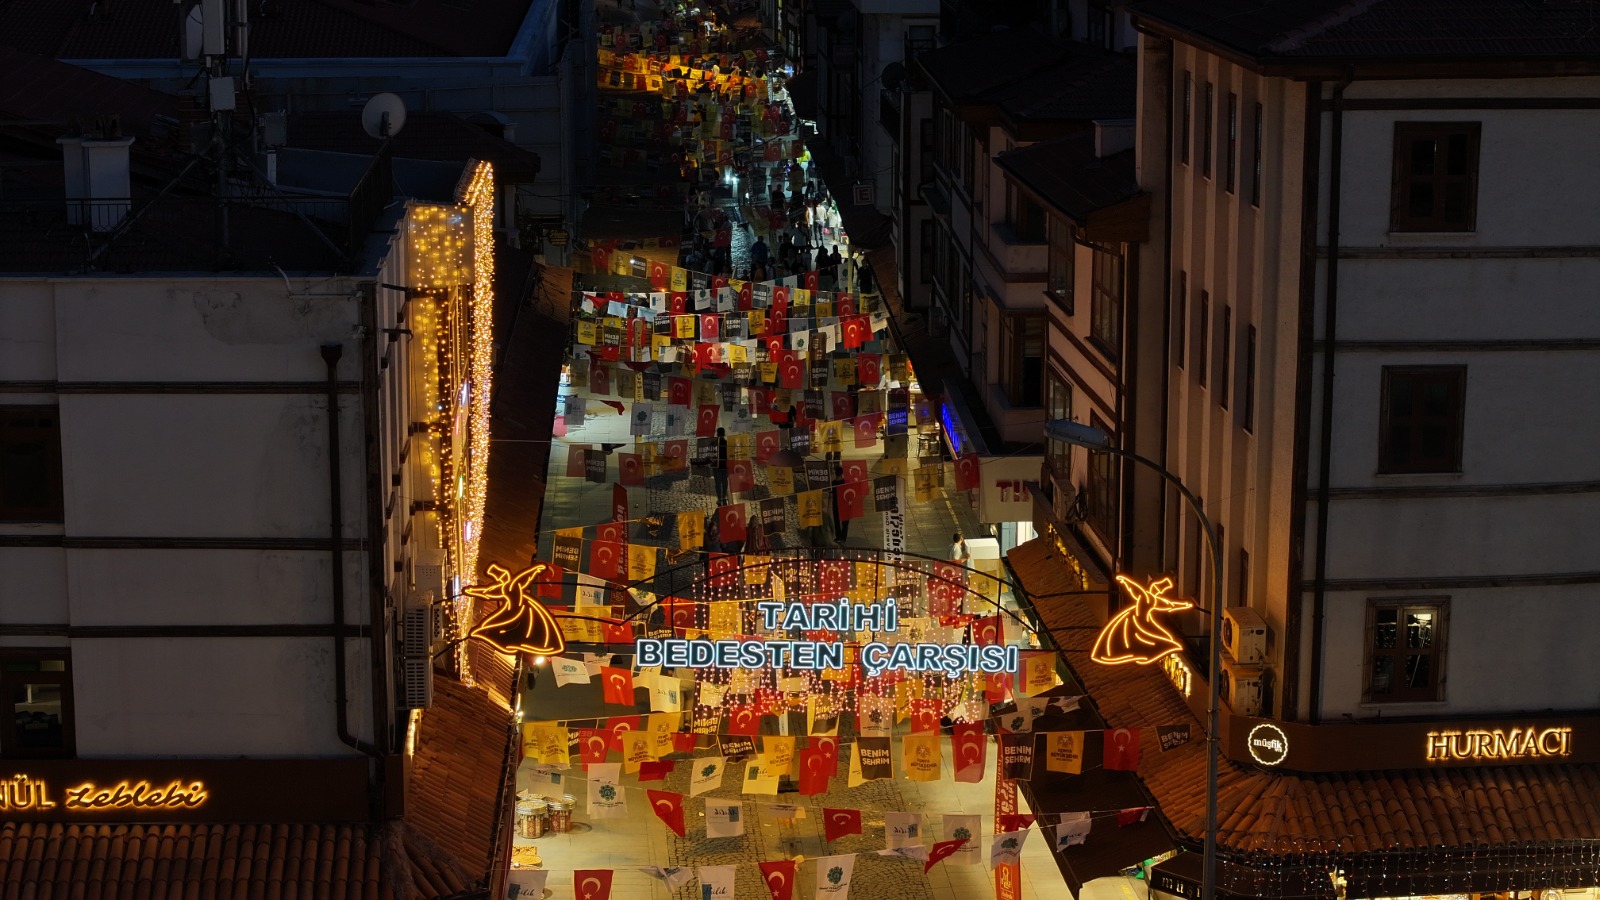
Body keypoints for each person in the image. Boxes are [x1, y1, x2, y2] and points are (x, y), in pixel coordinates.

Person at [830, 465, 850, 545]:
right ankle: (843, 538)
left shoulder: (833, 483)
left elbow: (830, 495)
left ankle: (838, 537)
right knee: (845, 523)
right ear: (842, 473)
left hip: (836, 504)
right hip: (844, 504)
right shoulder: (845, 482)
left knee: (836, 521)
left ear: (835, 473)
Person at [714, 427, 730, 505]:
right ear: (724, 434)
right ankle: (723, 497)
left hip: (717, 467)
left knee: (718, 483)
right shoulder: (727, 443)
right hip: (724, 466)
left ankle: (719, 498)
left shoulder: (714, 444)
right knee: (724, 482)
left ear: (717, 434)